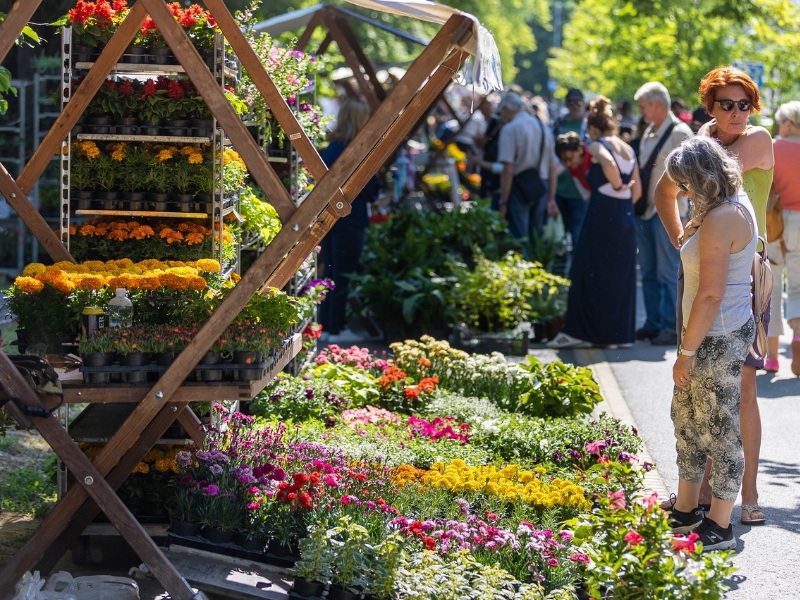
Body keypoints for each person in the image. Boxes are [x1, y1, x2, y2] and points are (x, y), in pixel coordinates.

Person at [654, 66, 773, 526]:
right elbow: (669, 188)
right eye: (727, 104)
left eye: (745, 103)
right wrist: (680, 239)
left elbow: (716, 181)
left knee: (738, 390)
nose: (738, 113)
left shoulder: (755, 141)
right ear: (710, 106)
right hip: (708, 263)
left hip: (749, 274)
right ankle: (697, 500)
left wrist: (699, 155)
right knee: (698, 395)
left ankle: (746, 496)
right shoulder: (702, 142)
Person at [664, 137, 757, 551]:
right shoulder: (717, 207)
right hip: (705, 331)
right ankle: (686, 510)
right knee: (686, 421)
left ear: (702, 177)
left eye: (686, 184)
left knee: (719, 429)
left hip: (716, 334)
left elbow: (710, 294)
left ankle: (720, 524)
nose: (682, 193)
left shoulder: (724, 214)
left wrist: (685, 354)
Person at [547, 96, 642, 348]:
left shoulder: (597, 145)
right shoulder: (628, 148)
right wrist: (622, 194)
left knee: (585, 271)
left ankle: (579, 332)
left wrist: (616, 185)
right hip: (625, 216)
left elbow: (609, 163)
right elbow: (638, 192)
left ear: (590, 127)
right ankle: (615, 336)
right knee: (618, 278)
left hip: (602, 215)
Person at [633, 82, 693, 346]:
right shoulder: (649, 131)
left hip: (668, 212)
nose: (641, 112)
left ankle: (670, 325)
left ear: (657, 104)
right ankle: (653, 323)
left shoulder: (680, 132)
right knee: (647, 271)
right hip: (645, 211)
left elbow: (693, 172)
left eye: (643, 106)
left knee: (667, 271)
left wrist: (680, 198)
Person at [318, 99, 382, 344]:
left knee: (331, 273)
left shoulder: (332, 147)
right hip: (351, 218)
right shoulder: (356, 148)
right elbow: (368, 187)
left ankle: (326, 326)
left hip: (330, 217)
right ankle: (336, 328)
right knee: (343, 275)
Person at [494, 91, 557, 244]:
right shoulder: (543, 126)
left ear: (508, 108)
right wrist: (550, 197)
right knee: (536, 240)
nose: (501, 115)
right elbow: (552, 166)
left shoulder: (510, 129)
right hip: (541, 186)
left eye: (502, 110)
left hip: (519, 189)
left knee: (520, 239)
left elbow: (508, 171)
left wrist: (503, 202)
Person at [768, 101, 800, 375]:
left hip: (776, 222)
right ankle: (798, 336)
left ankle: (772, 357)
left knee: (773, 287)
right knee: (798, 288)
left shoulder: (775, 149)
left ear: (788, 124)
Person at [552, 89, 589, 247]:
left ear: (584, 103)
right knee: (561, 234)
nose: (574, 106)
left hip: (580, 190)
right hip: (560, 188)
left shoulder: (589, 124)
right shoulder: (559, 123)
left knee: (578, 235)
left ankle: (576, 269)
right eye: (570, 102)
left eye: (578, 102)